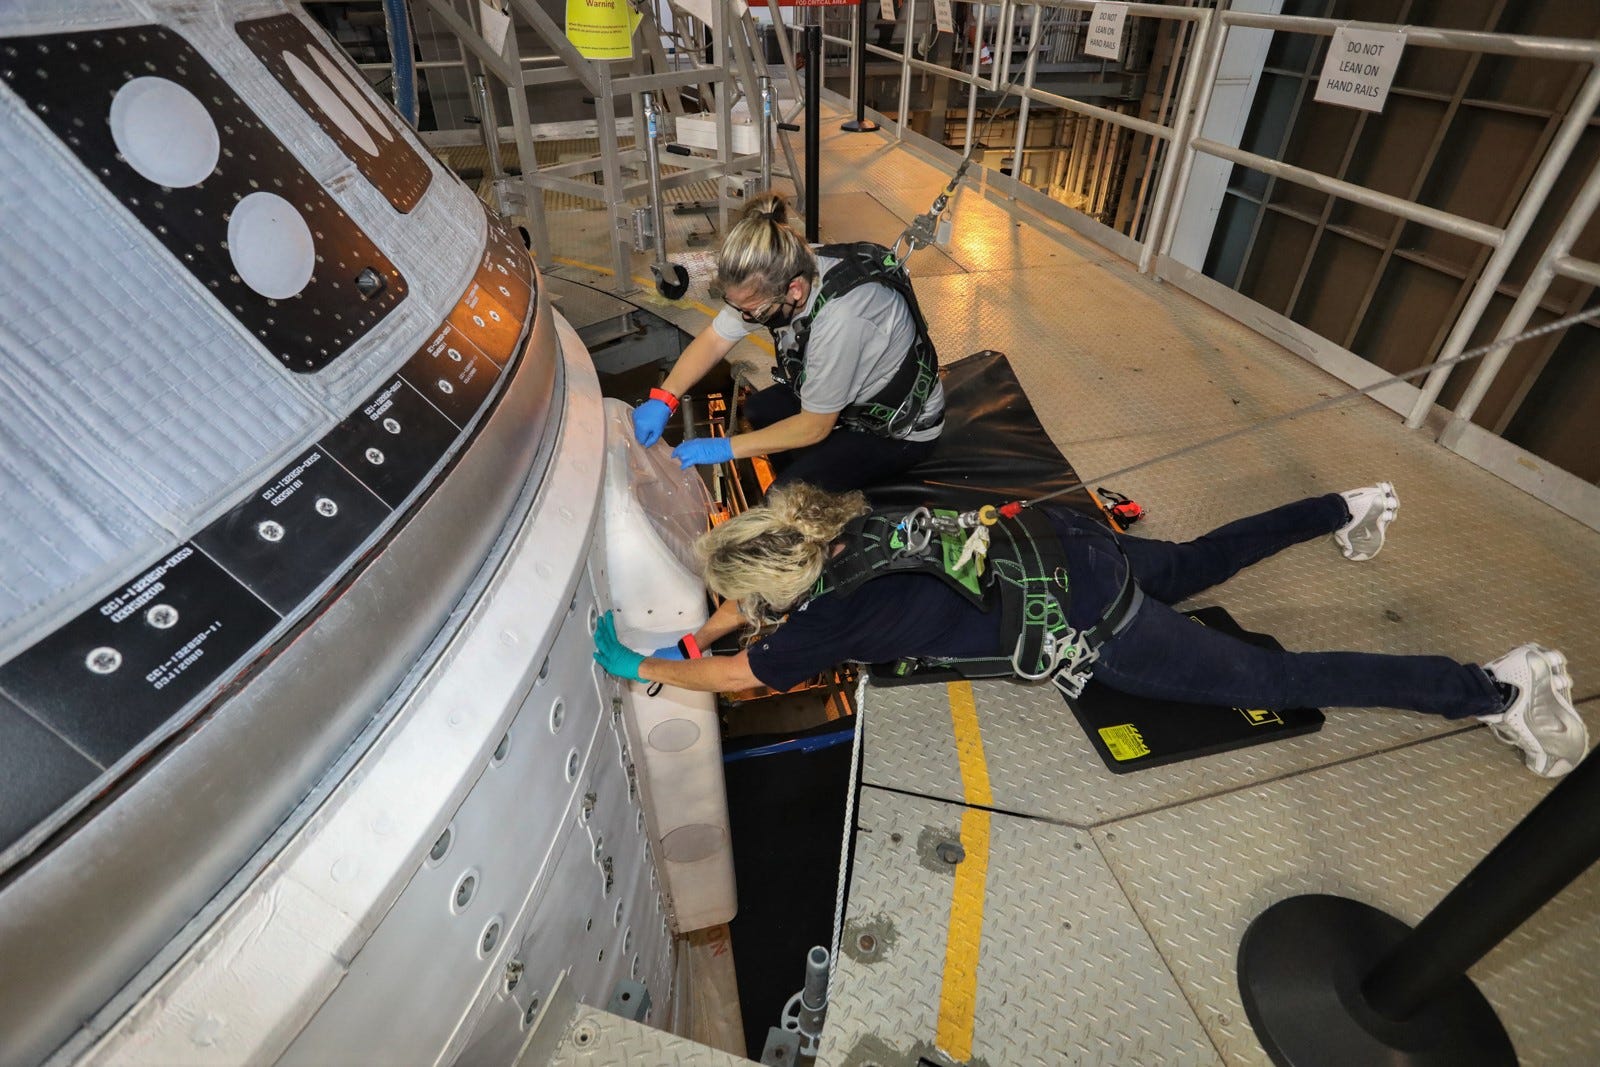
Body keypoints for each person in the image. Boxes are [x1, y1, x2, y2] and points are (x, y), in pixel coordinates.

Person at [594, 481, 1590, 778]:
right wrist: (695, 636)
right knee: (1200, 556)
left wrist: (642, 660)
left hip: (1096, 622)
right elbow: (746, 608)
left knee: (1275, 677)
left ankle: (1495, 686)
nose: (744, 620)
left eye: (747, 605)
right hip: (1069, 544)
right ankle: (1346, 503)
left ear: (780, 588)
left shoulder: (829, 618)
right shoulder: (837, 520)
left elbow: (745, 676)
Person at [630, 193, 945, 492]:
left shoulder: (842, 318)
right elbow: (714, 340)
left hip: (895, 429)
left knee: (786, 495)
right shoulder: (784, 264)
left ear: (794, 290)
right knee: (759, 408)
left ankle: (827, 496)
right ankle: (815, 470)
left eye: (754, 311)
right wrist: (664, 397)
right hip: (852, 398)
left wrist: (725, 448)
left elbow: (814, 427)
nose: (745, 317)